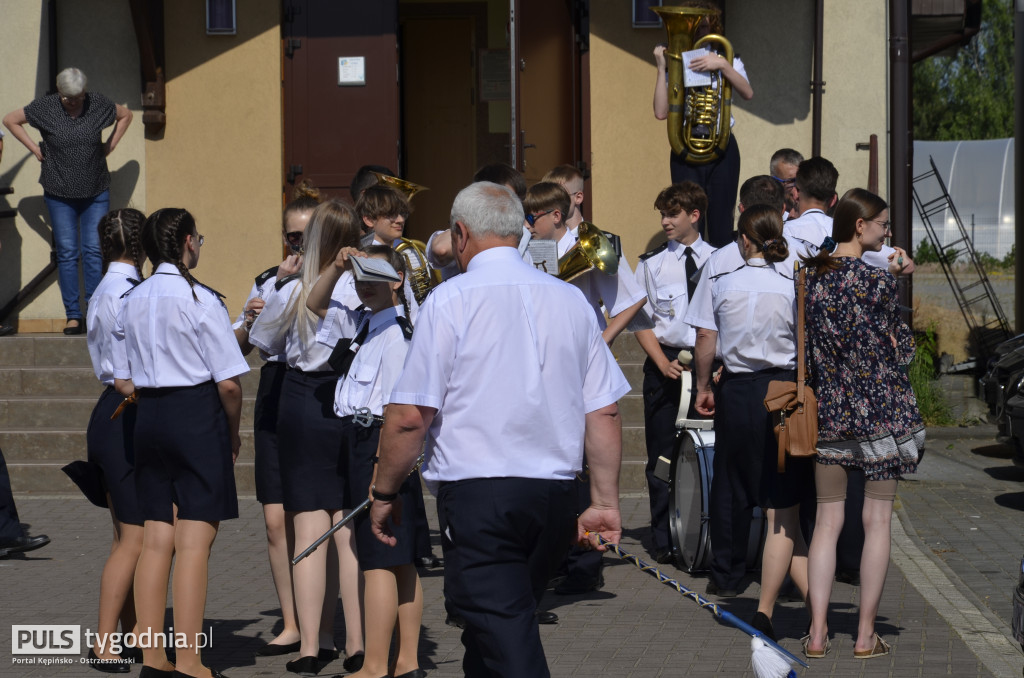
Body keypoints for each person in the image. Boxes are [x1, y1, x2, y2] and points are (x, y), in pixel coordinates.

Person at [368, 181, 630, 677]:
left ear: (460, 233)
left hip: (480, 499)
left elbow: (407, 418)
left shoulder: (449, 300)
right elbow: (604, 412)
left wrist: (384, 490)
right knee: (488, 631)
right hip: (553, 498)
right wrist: (603, 501)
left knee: (506, 636)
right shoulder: (572, 302)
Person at [112, 208, 247, 678]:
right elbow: (229, 384)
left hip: (149, 415)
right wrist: (233, 431)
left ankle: (153, 657)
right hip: (194, 414)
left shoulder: (131, 297)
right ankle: (189, 660)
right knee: (194, 540)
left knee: (156, 538)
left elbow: (121, 376)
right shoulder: (199, 298)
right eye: (199, 239)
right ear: (188, 241)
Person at [802, 189, 925, 660]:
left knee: (827, 523)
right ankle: (864, 635)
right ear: (859, 225)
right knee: (876, 521)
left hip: (831, 412)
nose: (887, 232)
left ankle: (816, 634)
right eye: (882, 224)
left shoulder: (811, 278)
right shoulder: (876, 283)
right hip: (880, 417)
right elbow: (898, 353)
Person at [248, 199, 365, 676]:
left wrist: (277, 290)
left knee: (309, 530)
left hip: (301, 401)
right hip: (351, 399)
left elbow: (265, 346)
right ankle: (356, 644)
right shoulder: (366, 282)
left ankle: (311, 647)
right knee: (348, 529)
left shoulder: (292, 286)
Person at [688, 205, 815, 641]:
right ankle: (804, 600)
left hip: (739, 388)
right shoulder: (795, 275)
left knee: (732, 485)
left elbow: (706, 337)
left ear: (745, 239)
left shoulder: (722, 273)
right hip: (784, 390)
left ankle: (727, 574)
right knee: (785, 499)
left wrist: (703, 385)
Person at [311, 245, 425, 678]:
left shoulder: (396, 333)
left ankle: (377, 664)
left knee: (381, 560)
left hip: (380, 445)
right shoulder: (365, 323)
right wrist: (339, 265)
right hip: (365, 442)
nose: (364, 283)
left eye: (374, 275)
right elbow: (316, 304)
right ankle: (406, 663)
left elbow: (400, 410)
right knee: (398, 559)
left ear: (398, 281)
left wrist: (382, 470)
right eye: (359, 275)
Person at [233, 182, 319, 658]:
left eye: (306, 237)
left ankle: (317, 623)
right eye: (291, 238)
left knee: (312, 512)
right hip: (276, 387)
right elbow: (238, 350)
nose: (298, 247)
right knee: (274, 520)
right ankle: (289, 621)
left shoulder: (338, 277)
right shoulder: (269, 278)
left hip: (316, 393)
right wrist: (249, 318)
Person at [3, 67, 133, 335]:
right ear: (59, 93)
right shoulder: (45, 107)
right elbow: (10, 120)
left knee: (94, 251)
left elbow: (126, 115)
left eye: (78, 97)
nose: (73, 102)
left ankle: (95, 313)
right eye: (68, 98)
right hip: (58, 190)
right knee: (67, 253)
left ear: (84, 92)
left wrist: (111, 144)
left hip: (95, 190)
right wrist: (35, 149)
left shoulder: (98, 104)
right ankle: (74, 316)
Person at [632, 181, 715, 563]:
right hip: (665, 362)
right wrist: (659, 359)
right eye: (662, 214)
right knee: (663, 456)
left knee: (709, 452)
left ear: (694, 216)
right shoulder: (651, 264)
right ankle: (664, 536)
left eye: (673, 214)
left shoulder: (719, 259)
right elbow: (640, 319)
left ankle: (707, 533)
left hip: (709, 365)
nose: (665, 221)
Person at [80, 208, 147, 672]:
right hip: (125, 411)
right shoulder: (128, 293)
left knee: (127, 536)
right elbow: (130, 372)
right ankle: (105, 644)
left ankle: (129, 636)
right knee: (134, 540)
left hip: (110, 411)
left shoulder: (105, 287)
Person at [652, 2, 753, 247]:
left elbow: (747, 92)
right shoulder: (677, 60)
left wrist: (723, 65)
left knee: (721, 218)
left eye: (703, 22)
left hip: (721, 145)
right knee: (688, 214)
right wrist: (662, 67)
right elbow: (660, 112)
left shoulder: (727, 57)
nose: (699, 28)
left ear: (712, 24)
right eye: (692, 24)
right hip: (685, 146)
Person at [784, 157, 914, 276]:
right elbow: (907, 265)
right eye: (884, 225)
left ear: (795, 193)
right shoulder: (851, 233)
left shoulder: (784, 231)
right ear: (834, 200)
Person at [355, 185, 421, 322]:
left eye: (402, 213)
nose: (401, 220)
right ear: (368, 220)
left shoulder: (403, 253)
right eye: (391, 214)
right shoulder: (362, 259)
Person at [769, 148, 803, 219]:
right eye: (790, 182)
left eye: (801, 180)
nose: (796, 190)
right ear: (774, 182)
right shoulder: (768, 219)